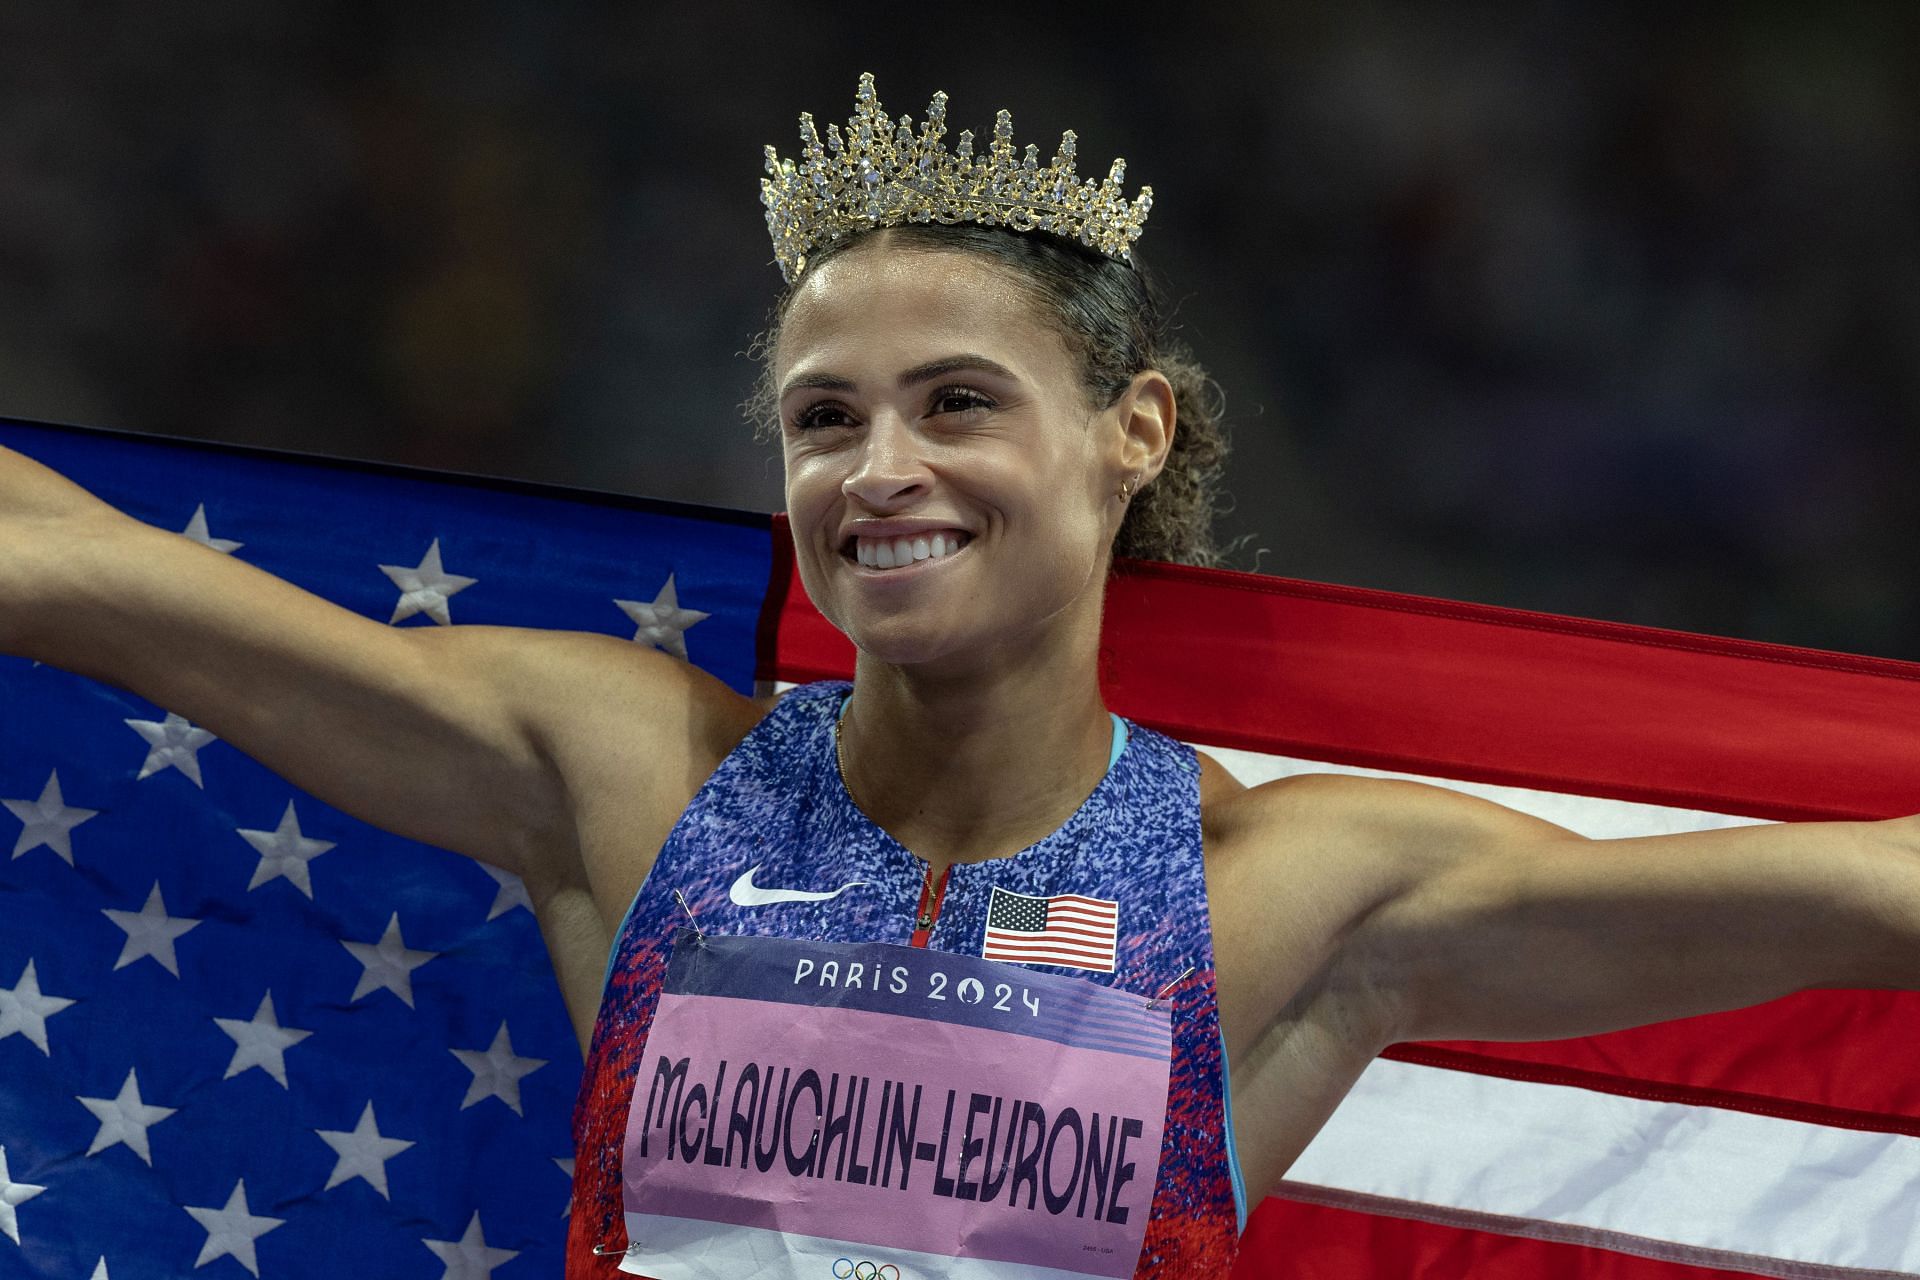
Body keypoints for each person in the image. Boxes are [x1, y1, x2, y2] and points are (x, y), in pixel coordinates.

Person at [1, 73, 1915, 1278]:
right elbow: (83, 572)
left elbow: (1858, 893)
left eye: (959, 402)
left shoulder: (1287, 896)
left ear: (1132, 434)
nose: (880, 468)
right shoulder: (631, 775)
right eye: (823, 417)